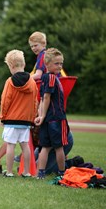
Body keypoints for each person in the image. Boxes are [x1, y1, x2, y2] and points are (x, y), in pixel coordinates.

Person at [0, 50, 38, 177]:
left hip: (11, 119)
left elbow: (5, 101)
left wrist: (2, 116)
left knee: (10, 145)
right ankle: (26, 172)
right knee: (25, 146)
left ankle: (9, 172)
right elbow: (35, 102)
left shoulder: (9, 82)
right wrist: (32, 118)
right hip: (26, 121)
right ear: (24, 63)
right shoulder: (32, 82)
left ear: (11, 66)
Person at [35, 48, 70, 179]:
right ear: (47, 64)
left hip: (47, 119)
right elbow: (47, 97)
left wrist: (41, 115)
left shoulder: (45, 78)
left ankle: (41, 173)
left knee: (45, 147)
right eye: (56, 63)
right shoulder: (50, 77)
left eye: (61, 63)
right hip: (56, 118)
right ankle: (62, 173)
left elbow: (42, 99)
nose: (60, 66)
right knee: (59, 147)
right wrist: (42, 115)